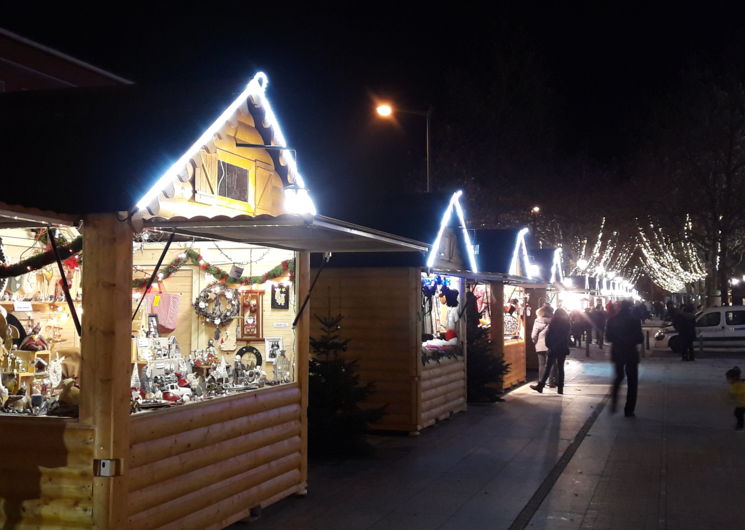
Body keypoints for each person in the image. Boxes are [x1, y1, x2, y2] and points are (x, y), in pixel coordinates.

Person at [605, 300, 644, 417]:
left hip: (618, 352)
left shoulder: (612, 319)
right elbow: (640, 339)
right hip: (631, 352)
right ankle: (629, 409)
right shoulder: (635, 320)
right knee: (632, 381)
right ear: (630, 307)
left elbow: (608, 338)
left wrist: (619, 340)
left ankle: (614, 401)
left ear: (619, 307)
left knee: (618, 377)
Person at [530, 308, 571, 395]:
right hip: (562, 348)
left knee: (547, 368)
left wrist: (549, 345)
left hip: (553, 348)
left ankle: (540, 386)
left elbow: (548, 335)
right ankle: (560, 389)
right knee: (560, 368)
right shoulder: (567, 324)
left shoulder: (554, 322)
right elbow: (567, 337)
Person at [531, 304, 554, 386]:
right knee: (551, 364)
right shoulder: (553, 321)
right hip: (550, 344)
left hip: (540, 344)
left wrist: (534, 340)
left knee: (542, 364)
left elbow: (534, 334)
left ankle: (541, 382)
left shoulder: (538, 321)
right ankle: (551, 382)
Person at [725, 366, 745, 431]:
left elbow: (734, 394)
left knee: (737, 413)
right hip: (741, 403)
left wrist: (732, 398)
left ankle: (740, 426)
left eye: (729, 378)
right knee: (737, 413)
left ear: (735, 378)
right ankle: (740, 425)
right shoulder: (738, 382)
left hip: (742, 403)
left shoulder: (737, 385)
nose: (728, 380)